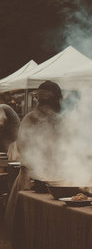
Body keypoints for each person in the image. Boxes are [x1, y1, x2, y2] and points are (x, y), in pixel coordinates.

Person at [4, 80, 63, 239]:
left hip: (41, 181)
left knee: (29, 234)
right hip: (32, 182)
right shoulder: (35, 119)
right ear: (57, 100)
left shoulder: (32, 118)